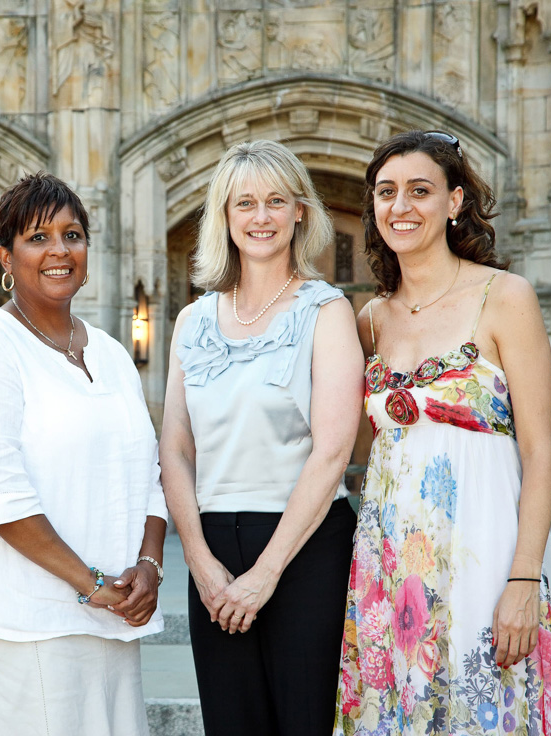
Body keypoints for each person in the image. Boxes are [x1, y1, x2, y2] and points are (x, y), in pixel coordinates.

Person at [333, 131, 551, 735]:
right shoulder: (367, 319)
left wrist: (524, 578)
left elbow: (542, 454)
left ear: (454, 201)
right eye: (387, 193)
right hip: (392, 566)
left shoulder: (505, 298)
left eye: (420, 191)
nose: (401, 207)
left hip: (490, 553)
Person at [0, 172, 167, 736]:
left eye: (73, 234)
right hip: (17, 621)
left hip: (109, 616)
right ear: (5, 256)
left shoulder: (109, 353)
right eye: (38, 237)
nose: (59, 250)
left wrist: (149, 569)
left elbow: (149, 474)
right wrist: (90, 583)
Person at [160, 140, 364, 735]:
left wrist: (267, 573)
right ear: (224, 217)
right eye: (244, 202)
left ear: (300, 211)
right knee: (232, 723)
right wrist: (199, 563)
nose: (261, 216)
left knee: (304, 722)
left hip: (305, 547)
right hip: (214, 549)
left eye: (276, 200)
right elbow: (174, 447)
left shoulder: (327, 313)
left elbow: (332, 451)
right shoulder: (192, 321)